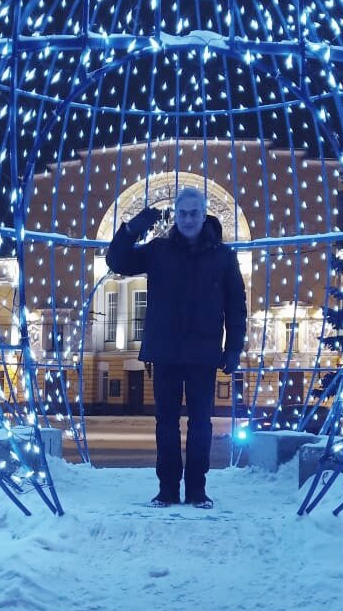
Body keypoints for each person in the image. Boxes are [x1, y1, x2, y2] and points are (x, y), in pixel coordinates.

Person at [106, 187, 247, 509]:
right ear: (176, 216)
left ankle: (197, 490)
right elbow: (117, 260)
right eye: (182, 213)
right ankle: (167, 490)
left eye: (194, 213)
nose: (188, 219)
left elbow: (236, 305)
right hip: (166, 351)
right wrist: (134, 227)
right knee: (166, 423)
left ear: (204, 215)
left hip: (203, 352)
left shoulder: (223, 256)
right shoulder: (159, 250)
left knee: (201, 424)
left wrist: (234, 348)